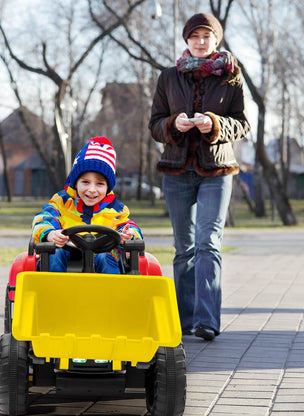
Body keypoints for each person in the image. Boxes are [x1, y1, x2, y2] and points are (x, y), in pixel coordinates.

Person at [149, 13, 250, 341]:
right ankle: (183, 320)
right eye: (195, 36)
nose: (201, 41)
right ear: (186, 40)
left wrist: (216, 124)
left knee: (209, 243)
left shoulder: (231, 76)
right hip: (177, 172)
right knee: (184, 248)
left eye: (207, 36)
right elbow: (154, 125)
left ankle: (207, 321)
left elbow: (243, 124)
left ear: (216, 39)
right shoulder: (168, 77)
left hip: (217, 172)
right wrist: (172, 125)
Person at [32, 136, 143, 274]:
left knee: (105, 258)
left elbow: (131, 228)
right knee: (54, 255)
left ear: (108, 187)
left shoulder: (116, 210)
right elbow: (43, 218)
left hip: (102, 259)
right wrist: (49, 233)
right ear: (75, 182)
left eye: (100, 184)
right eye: (85, 182)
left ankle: (112, 294)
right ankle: (54, 293)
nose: (91, 189)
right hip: (67, 256)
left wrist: (129, 234)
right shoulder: (62, 202)